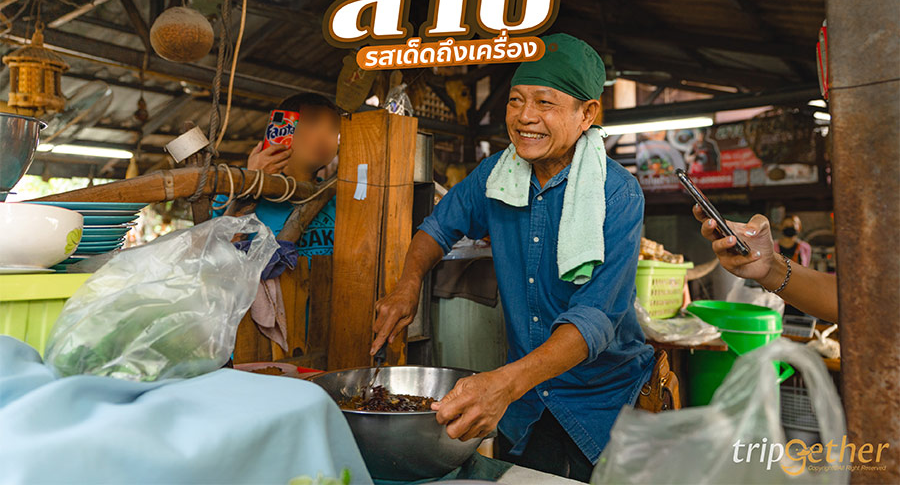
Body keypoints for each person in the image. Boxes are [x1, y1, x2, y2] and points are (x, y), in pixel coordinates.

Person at [371, 34, 654, 482]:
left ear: (587, 114)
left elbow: (594, 319)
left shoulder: (618, 194)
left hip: (601, 405)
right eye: (516, 100)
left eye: (545, 102)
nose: (525, 116)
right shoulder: (496, 176)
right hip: (525, 405)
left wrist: (503, 383)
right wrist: (407, 285)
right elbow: (438, 228)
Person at [214, 92, 341, 259]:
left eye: (334, 129)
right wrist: (253, 184)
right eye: (312, 123)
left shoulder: (337, 199)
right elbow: (217, 256)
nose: (325, 137)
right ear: (282, 129)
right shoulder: (235, 186)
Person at [692, 205, 838, 323]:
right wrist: (770, 268)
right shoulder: (773, 245)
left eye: (793, 226)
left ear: (799, 228)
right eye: (786, 225)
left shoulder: (804, 247)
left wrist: (772, 269)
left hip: (801, 295)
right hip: (779, 295)